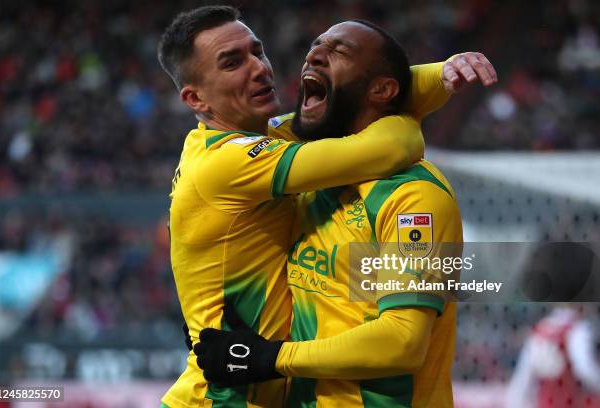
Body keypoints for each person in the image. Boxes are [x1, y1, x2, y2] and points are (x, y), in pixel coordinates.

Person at [158, 5, 495, 408]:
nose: (259, 67)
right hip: (221, 398)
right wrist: (406, 117)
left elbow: (403, 340)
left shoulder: (412, 196)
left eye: (257, 51)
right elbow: (393, 144)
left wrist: (443, 75)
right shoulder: (231, 163)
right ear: (195, 98)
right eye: (232, 63)